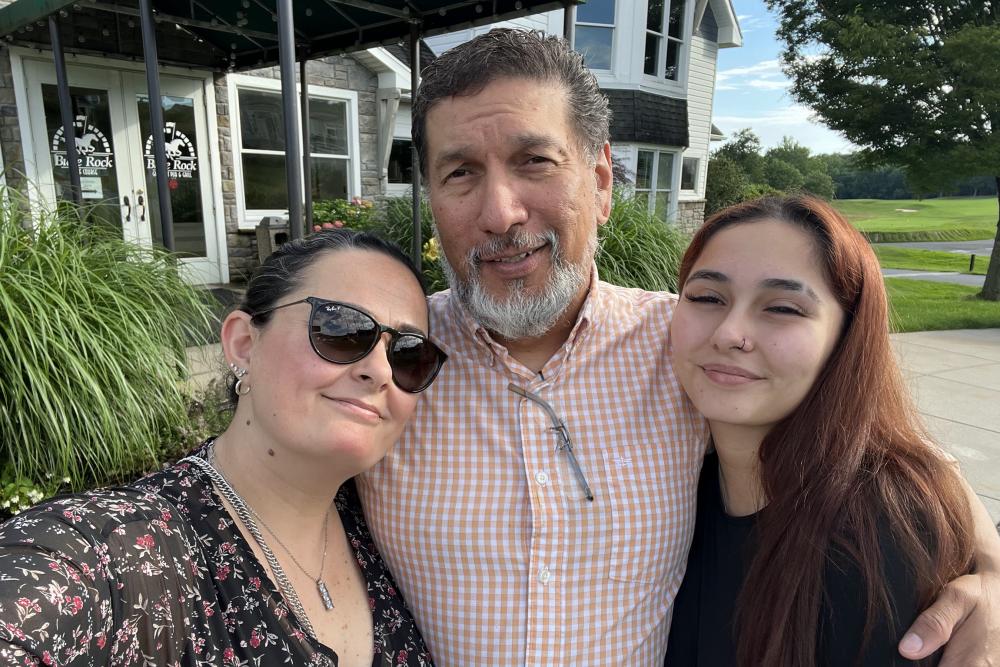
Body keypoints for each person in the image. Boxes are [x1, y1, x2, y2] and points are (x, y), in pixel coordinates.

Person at [357, 28, 1000, 667]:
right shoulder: (380, 364)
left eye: (535, 162)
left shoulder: (685, 343)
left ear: (601, 182)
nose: (501, 213)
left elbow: (876, 442)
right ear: (432, 196)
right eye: (461, 173)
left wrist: (993, 568)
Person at [0, 229, 446, 666]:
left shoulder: (386, 530)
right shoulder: (117, 552)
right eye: (341, 329)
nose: (379, 371)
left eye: (409, 354)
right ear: (244, 344)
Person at [663, 195, 977, 666]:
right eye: (707, 297)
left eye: (782, 308)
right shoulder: (672, 486)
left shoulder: (879, 535)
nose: (728, 333)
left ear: (846, 338)